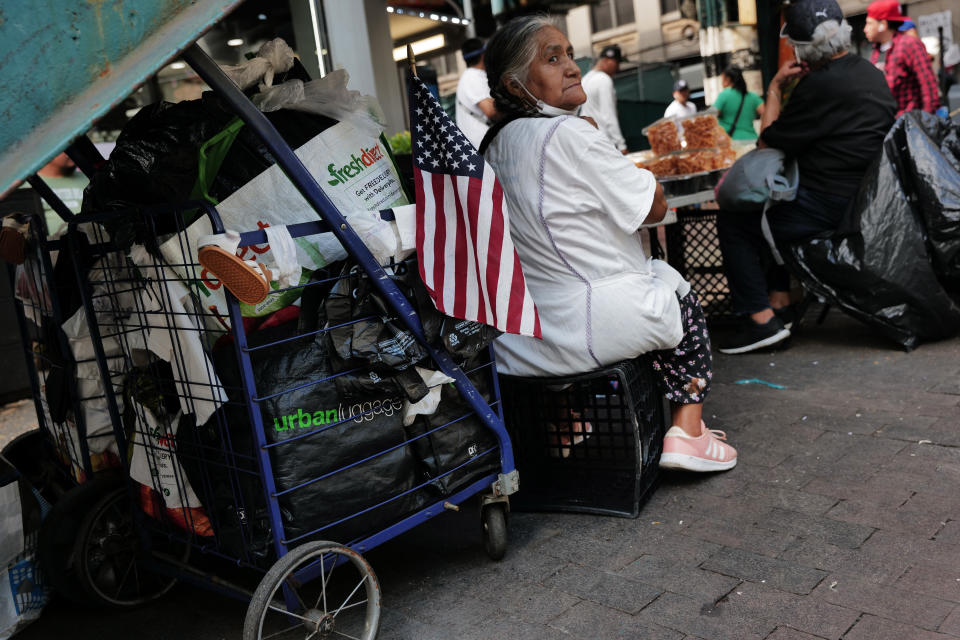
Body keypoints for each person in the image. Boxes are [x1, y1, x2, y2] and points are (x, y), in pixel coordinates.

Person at [480, 15, 737, 472]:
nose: (572, 68)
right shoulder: (570, 134)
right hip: (594, 321)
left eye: (569, 55)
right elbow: (653, 208)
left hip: (520, 335)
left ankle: (564, 423)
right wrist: (621, 160)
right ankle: (689, 432)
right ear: (516, 85)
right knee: (677, 292)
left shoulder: (493, 143)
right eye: (552, 58)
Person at [716, 0, 896, 354]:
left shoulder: (818, 87)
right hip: (866, 198)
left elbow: (766, 143)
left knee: (737, 218)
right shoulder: (871, 73)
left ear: (801, 49)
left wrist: (774, 88)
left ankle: (761, 319)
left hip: (831, 207)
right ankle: (780, 300)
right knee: (770, 202)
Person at [864, 0, 940, 116]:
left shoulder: (909, 44)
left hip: (910, 124)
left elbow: (928, 85)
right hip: (886, 124)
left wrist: (925, 122)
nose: (865, 29)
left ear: (882, 25)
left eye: (869, 23)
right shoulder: (876, 51)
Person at [580, 44, 629, 154]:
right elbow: (608, 115)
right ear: (609, 61)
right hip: (605, 144)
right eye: (617, 63)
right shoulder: (603, 80)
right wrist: (621, 145)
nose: (618, 68)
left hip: (588, 141)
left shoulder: (585, 79)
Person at [455, 38, 496, 150]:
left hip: (481, 145)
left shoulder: (472, 76)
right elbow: (491, 110)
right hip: (481, 146)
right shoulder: (472, 77)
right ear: (483, 54)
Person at [713, 66, 764, 140]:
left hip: (732, 143)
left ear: (727, 79)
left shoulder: (725, 94)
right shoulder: (753, 96)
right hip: (752, 140)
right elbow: (766, 113)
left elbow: (711, 116)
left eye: (722, 79)